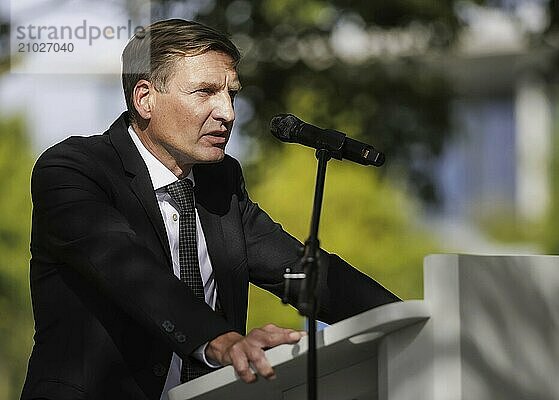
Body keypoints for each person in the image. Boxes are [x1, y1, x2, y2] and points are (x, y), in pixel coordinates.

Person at [21, 19, 399, 400]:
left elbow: (302, 272)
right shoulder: (73, 169)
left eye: (231, 94)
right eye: (205, 92)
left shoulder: (221, 181)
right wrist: (223, 341)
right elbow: (131, 273)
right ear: (144, 98)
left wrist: (418, 320)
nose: (228, 112)